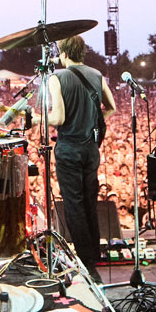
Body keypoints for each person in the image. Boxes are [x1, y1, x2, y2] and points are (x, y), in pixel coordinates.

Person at [45, 35, 117, 283]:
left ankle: (86, 264)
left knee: (74, 205)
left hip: (69, 149)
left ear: (63, 53)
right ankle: (93, 259)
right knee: (89, 202)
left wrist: (36, 119)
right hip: (90, 150)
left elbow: (58, 119)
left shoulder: (58, 77)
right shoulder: (97, 75)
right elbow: (112, 107)